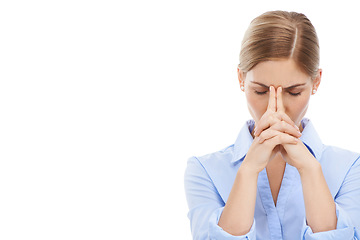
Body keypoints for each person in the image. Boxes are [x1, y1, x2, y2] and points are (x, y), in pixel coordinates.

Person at [184, 10, 360, 239]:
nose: (275, 110)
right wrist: (248, 171)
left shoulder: (350, 169)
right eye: (260, 91)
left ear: (316, 81)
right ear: (241, 79)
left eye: (294, 92)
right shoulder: (204, 171)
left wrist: (310, 169)